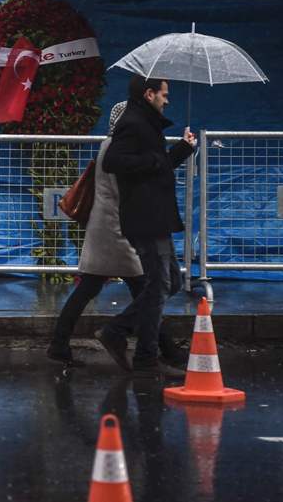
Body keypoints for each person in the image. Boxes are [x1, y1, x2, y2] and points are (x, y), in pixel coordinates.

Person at [46, 101, 184, 368]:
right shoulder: (119, 147)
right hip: (119, 231)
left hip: (110, 229)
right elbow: (135, 187)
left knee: (107, 289)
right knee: (150, 289)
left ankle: (60, 344)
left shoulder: (110, 144)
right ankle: (161, 349)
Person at [95, 76, 196, 378]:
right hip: (146, 215)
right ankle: (145, 358)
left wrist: (181, 150)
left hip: (154, 214)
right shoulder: (134, 122)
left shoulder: (145, 122)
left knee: (170, 284)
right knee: (160, 284)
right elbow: (113, 161)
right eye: (164, 94)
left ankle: (118, 330)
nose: (167, 100)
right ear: (149, 93)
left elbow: (156, 164)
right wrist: (155, 161)